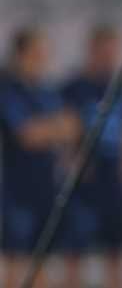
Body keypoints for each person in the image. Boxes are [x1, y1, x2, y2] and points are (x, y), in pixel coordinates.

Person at [61, 24, 122, 288]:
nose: (110, 57)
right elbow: (63, 128)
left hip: (114, 182)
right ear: (92, 50)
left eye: (114, 51)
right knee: (75, 253)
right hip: (84, 180)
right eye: (105, 51)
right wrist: (70, 160)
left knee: (116, 253)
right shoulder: (73, 87)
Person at [0, 28, 82, 288]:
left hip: (45, 187)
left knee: (41, 257)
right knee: (15, 259)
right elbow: (27, 134)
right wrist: (54, 129)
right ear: (21, 55)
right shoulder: (9, 89)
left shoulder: (46, 91)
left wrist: (50, 129)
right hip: (15, 189)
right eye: (36, 53)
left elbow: (73, 127)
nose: (42, 59)